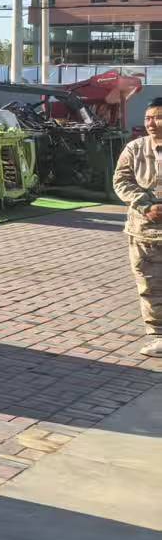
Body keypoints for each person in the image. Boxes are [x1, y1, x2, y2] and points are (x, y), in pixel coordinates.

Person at [112, 99, 162, 357]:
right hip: (144, 232)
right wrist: (145, 205)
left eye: (158, 118)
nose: (152, 124)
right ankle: (158, 337)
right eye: (148, 118)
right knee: (150, 286)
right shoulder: (135, 148)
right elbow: (121, 180)